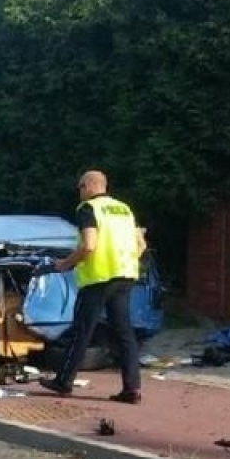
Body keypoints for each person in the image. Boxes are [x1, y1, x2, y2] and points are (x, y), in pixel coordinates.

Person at [39, 169, 147, 403]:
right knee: (124, 333)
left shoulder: (88, 209)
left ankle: (63, 382)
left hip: (98, 277)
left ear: (88, 186)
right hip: (125, 275)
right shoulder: (124, 209)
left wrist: (65, 264)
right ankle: (133, 389)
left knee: (82, 330)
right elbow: (141, 244)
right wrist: (126, 261)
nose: (79, 193)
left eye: (80, 187)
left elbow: (88, 245)